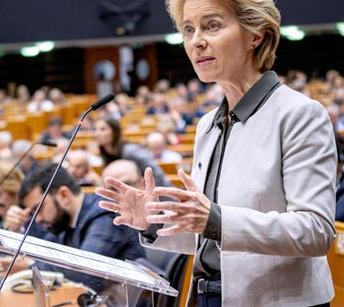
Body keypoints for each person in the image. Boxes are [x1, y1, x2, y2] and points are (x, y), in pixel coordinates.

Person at [96, 0, 336, 306]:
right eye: (188, 29)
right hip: (208, 295)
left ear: (256, 35)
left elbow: (315, 232)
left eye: (212, 26)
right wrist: (155, 221)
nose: (196, 41)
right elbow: (208, 234)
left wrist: (217, 220)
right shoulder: (207, 125)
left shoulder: (300, 115)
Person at [3, 163, 146, 292]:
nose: (38, 219)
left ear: (64, 195)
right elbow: (45, 251)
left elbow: (84, 273)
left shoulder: (106, 216)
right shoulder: (65, 220)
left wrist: (28, 267)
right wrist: (18, 229)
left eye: (38, 209)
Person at [94, 117, 170, 187]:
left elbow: (157, 174)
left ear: (115, 132)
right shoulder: (107, 154)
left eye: (103, 129)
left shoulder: (130, 151)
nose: (97, 134)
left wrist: (153, 198)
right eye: (96, 129)